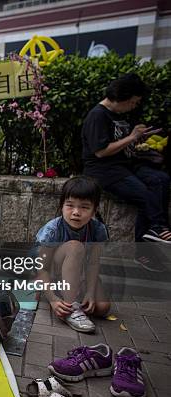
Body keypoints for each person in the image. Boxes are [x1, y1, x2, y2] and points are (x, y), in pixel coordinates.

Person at [81, 74, 171, 260]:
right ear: (123, 97)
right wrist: (131, 137)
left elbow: (121, 142)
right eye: (133, 102)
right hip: (104, 170)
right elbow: (101, 151)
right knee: (145, 195)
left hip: (126, 165)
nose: (134, 106)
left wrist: (138, 139)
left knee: (161, 180)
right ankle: (157, 230)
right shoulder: (97, 115)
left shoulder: (118, 115)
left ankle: (153, 233)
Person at [35, 176, 111, 333]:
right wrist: (53, 300)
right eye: (70, 205)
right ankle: (70, 306)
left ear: (94, 210)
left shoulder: (98, 230)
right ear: (62, 206)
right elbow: (41, 269)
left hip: (80, 273)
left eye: (84, 207)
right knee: (75, 247)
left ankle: (76, 295)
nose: (76, 212)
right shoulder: (52, 230)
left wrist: (90, 292)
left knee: (102, 308)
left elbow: (93, 263)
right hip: (53, 274)